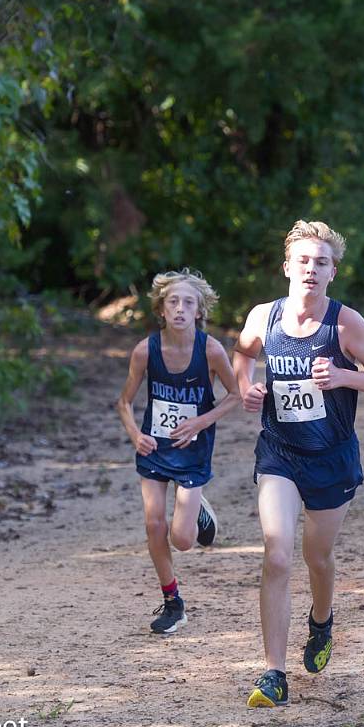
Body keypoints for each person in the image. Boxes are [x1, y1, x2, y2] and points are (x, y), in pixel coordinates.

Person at [232, 220, 364, 708]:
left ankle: (321, 623)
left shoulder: (345, 324)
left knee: (315, 558)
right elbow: (242, 356)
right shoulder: (263, 316)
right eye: (303, 260)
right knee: (277, 552)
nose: (310, 269)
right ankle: (273, 673)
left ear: (332, 273)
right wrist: (246, 387)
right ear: (287, 267)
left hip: (331, 458)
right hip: (279, 452)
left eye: (320, 262)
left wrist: (344, 375)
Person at [116, 268, 241, 633]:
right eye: (173, 302)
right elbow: (123, 402)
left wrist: (200, 422)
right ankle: (173, 603)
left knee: (182, 540)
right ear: (161, 310)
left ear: (200, 311)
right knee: (154, 524)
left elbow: (234, 396)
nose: (181, 309)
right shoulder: (145, 351)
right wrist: (135, 434)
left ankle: (198, 508)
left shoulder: (211, 350)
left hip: (192, 449)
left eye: (189, 303)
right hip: (154, 446)